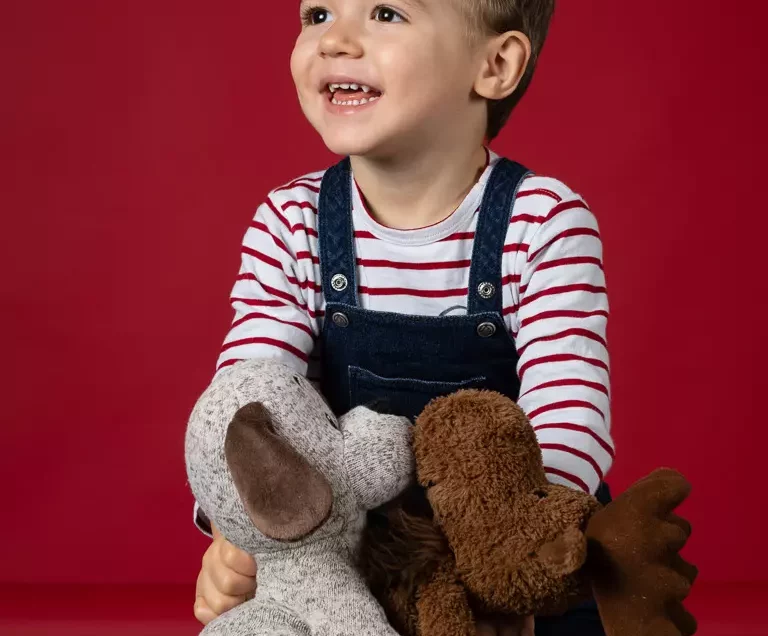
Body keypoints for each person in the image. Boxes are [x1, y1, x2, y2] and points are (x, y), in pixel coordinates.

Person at [192, 0, 614, 634]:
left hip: (511, 554)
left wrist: (517, 560)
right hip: (352, 554)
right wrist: (239, 532)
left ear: (495, 65)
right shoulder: (291, 223)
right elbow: (249, 408)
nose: (335, 41)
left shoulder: (544, 222)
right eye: (317, 15)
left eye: (385, 13)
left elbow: (569, 417)